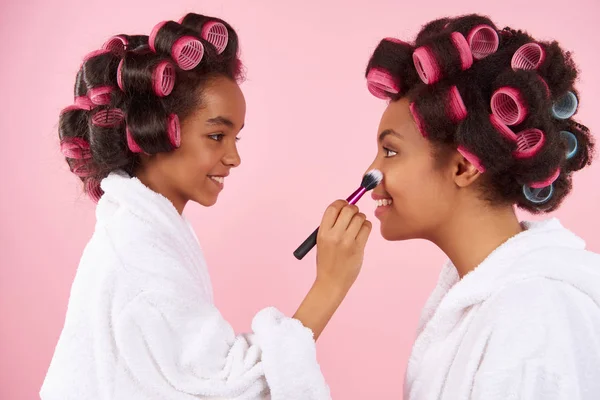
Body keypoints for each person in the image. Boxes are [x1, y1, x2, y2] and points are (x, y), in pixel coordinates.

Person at [41, 12, 371, 400]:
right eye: (216, 135)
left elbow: (207, 375)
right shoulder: (138, 256)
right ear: (154, 131)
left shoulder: (140, 232)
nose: (233, 158)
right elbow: (237, 391)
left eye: (236, 138)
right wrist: (330, 284)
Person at [364, 13, 600, 399]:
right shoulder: (489, 305)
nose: (372, 172)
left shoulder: (532, 317)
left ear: (464, 166)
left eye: (390, 151)